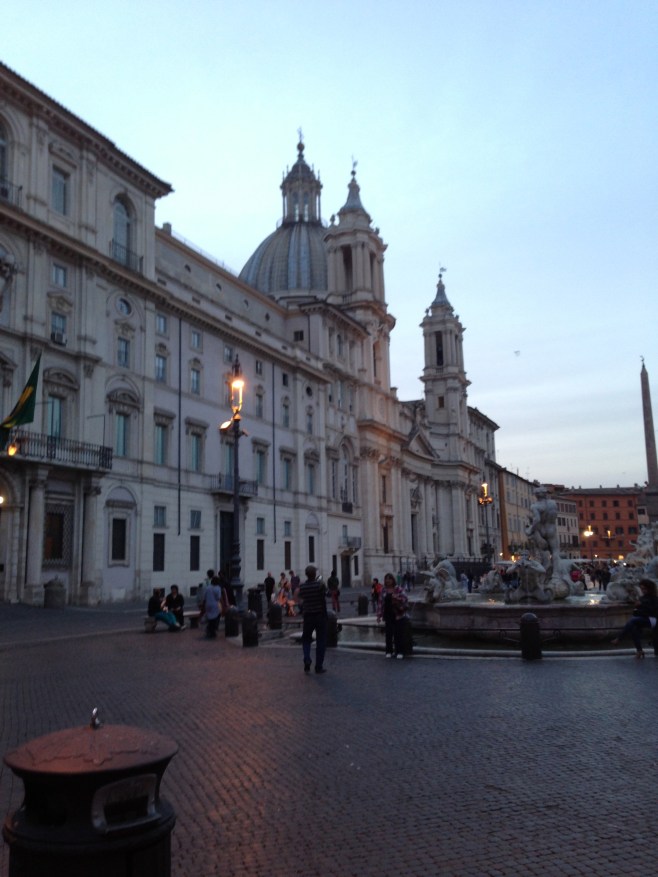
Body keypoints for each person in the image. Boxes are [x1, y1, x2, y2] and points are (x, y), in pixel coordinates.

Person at [611, 579, 658, 658]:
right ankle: (639, 650)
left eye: (645, 589)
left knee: (633, 620)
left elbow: (652, 611)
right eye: (642, 589)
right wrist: (638, 606)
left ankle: (619, 638)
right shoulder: (642, 598)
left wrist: (641, 605)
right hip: (645, 619)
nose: (643, 591)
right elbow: (636, 612)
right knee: (633, 628)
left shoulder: (654, 598)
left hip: (654, 620)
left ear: (650, 589)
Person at [294, 564, 328, 674]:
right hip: (320, 616)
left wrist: (302, 604)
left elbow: (296, 597)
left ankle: (307, 658)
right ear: (314, 574)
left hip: (308, 616)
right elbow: (327, 595)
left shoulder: (303, 587)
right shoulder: (320, 585)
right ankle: (318, 666)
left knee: (306, 639)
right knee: (321, 641)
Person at [377, 572, 408, 658]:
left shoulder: (398, 589)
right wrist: (379, 615)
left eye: (389, 579)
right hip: (387, 614)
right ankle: (389, 651)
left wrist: (397, 597)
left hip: (397, 614)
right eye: (386, 579)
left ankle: (399, 652)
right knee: (388, 634)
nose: (388, 581)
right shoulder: (383, 590)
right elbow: (380, 603)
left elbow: (405, 599)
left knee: (398, 634)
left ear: (393, 580)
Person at [204, 575, 224, 639]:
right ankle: (212, 631)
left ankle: (209, 630)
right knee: (216, 617)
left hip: (208, 604)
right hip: (215, 605)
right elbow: (218, 597)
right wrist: (222, 604)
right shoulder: (217, 588)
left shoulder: (208, 588)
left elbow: (205, 597)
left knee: (210, 618)